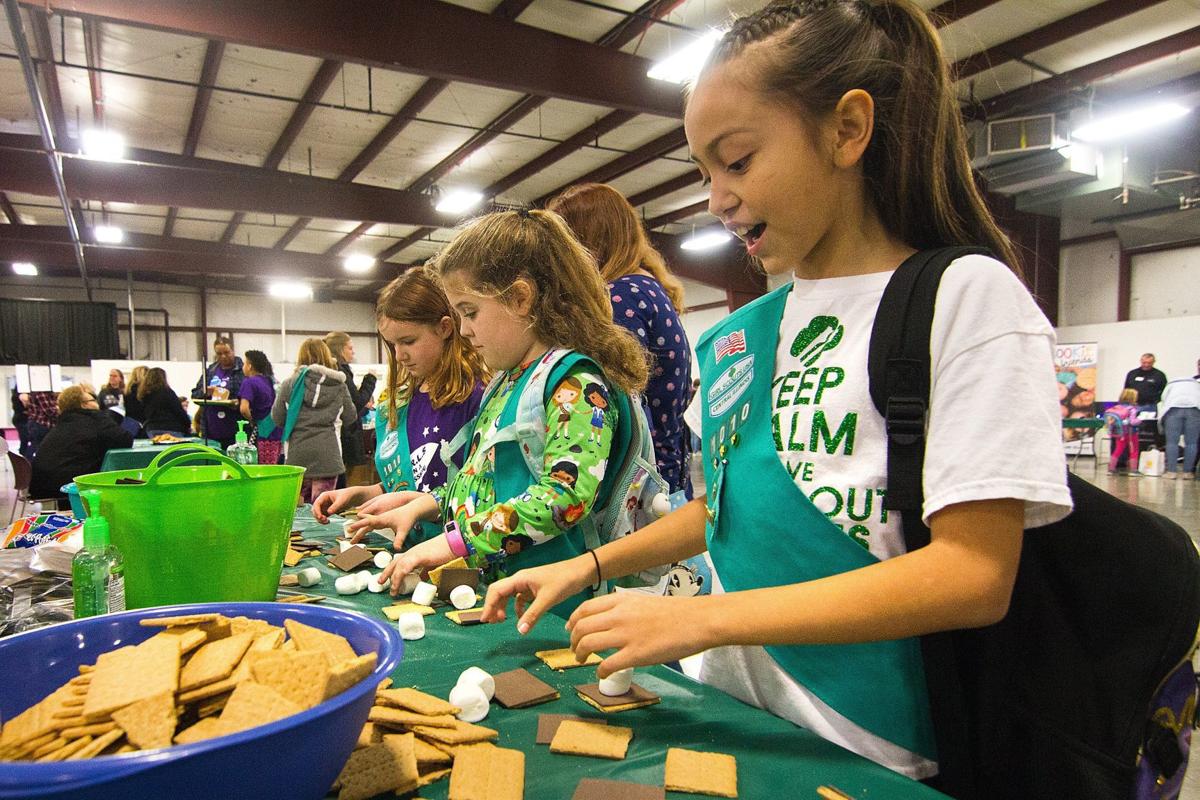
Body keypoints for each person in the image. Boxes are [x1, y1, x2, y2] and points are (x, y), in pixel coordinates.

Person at [479, 1, 1072, 783]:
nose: (717, 197)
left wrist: (701, 618)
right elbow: (725, 508)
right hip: (727, 717)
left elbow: (973, 573)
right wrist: (588, 567)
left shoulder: (964, 298)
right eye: (703, 172)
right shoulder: (739, 334)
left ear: (847, 131)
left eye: (738, 160)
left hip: (865, 750)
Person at [348, 209, 649, 614]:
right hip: (507, 598)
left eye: (470, 312)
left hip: (562, 608)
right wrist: (423, 503)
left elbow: (565, 496)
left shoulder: (573, 382)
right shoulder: (506, 383)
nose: (465, 329)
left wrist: (456, 541)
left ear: (521, 299)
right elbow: (480, 481)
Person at [312, 269, 489, 539]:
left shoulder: (477, 397)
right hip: (407, 548)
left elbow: (487, 491)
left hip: (459, 550)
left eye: (408, 341)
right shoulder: (402, 401)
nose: (399, 355)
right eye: (392, 344)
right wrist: (360, 494)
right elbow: (410, 483)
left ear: (444, 328)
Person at [548, 183, 696, 498]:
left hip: (644, 491)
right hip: (665, 480)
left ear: (590, 244)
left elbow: (616, 399)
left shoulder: (622, 296)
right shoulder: (645, 288)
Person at [272, 338, 356, 505]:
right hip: (328, 457)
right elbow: (350, 416)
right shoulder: (339, 385)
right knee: (322, 514)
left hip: (297, 456)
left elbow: (277, 418)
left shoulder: (290, 384)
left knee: (298, 516)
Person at [30, 385, 133, 501]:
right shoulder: (95, 419)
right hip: (69, 486)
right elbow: (125, 439)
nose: (97, 404)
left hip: (41, 485)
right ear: (84, 405)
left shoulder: (63, 423)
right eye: (93, 400)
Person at [324, 331, 378, 487]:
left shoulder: (330, 371)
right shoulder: (342, 373)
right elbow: (357, 402)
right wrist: (370, 380)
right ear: (340, 349)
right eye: (350, 348)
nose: (353, 352)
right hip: (346, 432)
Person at [192, 337, 245, 450]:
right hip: (210, 428)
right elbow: (195, 394)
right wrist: (205, 391)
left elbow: (248, 395)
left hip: (234, 426)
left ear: (233, 351)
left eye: (226, 352)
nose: (223, 356)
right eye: (219, 353)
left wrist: (236, 401)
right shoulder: (210, 371)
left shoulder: (243, 370)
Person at [238, 350, 281, 465]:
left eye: (244, 363)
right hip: (275, 431)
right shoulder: (269, 381)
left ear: (250, 366)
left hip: (262, 431)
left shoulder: (249, 382)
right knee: (272, 468)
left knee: (260, 469)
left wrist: (251, 420)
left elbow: (244, 408)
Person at [1160, 375, 1200, 480]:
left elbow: (1163, 398)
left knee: (1172, 442)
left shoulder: (1172, 384)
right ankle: (1188, 472)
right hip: (1194, 410)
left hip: (1173, 410)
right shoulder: (1196, 384)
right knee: (1191, 443)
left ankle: (1171, 472)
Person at [139, 368, 192, 437]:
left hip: (152, 428)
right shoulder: (168, 392)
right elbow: (179, 411)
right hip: (171, 428)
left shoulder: (144, 395)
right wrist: (187, 423)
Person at [1104, 388, 1141, 475]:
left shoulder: (1116, 408)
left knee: (1117, 450)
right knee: (1134, 451)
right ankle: (1133, 470)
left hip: (1119, 433)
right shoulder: (1132, 409)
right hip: (1131, 434)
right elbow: (1132, 422)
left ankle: (1111, 469)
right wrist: (1140, 419)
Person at [23, 389, 58, 459]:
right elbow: (49, 411)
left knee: (36, 446)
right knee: (38, 446)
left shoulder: (36, 393)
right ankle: (26, 466)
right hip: (41, 424)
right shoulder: (42, 393)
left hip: (37, 423)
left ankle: (25, 466)